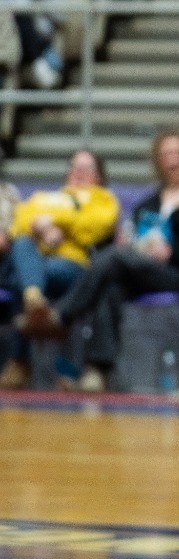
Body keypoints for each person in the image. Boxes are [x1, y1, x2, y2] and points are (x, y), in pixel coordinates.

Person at [34, 131, 179, 394]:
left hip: (176, 275)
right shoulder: (147, 203)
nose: (172, 161)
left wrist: (171, 253)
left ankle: (62, 315)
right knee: (111, 284)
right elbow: (131, 237)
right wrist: (130, 245)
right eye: (166, 154)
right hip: (135, 270)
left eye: (178, 153)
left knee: (111, 257)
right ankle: (97, 370)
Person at [3, 149, 117, 387]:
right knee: (23, 246)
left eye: (87, 168)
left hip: (73, 266)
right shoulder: (43, 196)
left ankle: (19, 362)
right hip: (34, 260)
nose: (79, 173)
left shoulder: (102, 199)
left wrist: (52, 222)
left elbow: (94, 227)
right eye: (74, 167)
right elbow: (18, 224)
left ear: (99, 177)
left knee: (23, 278)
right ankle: (34, 299)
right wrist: (39, 227)